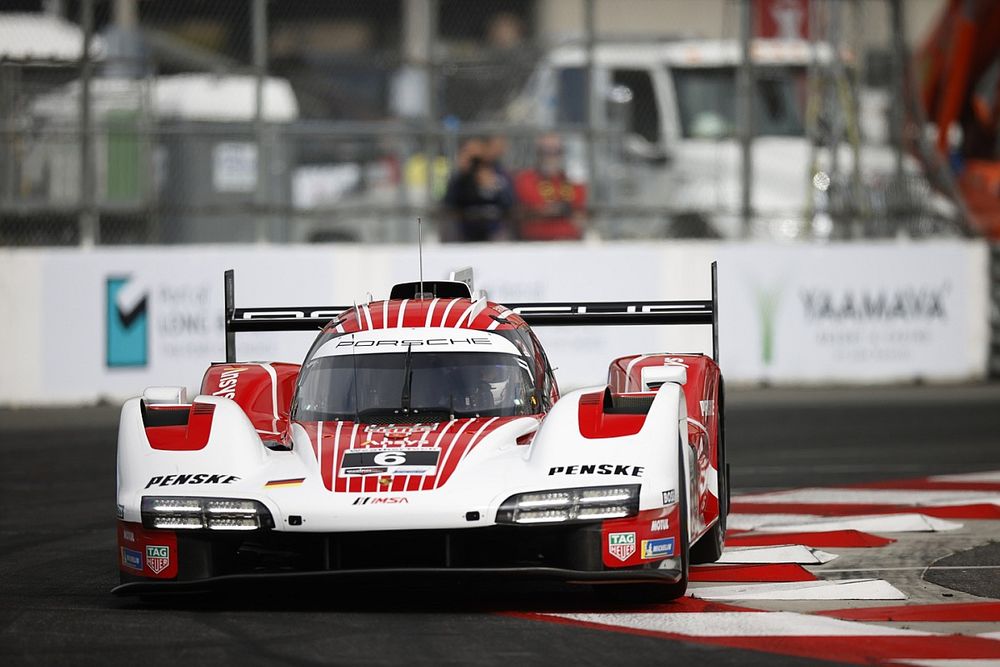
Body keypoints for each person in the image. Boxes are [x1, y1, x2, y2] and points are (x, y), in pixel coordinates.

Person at [513, 134, 586, 241]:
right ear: (538, 154)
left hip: (570, 242)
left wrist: (554, 210)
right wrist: (559, 210)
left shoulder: (572, 180)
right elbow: (532, 210)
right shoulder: (525, 179)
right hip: (536, 243)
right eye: (546, 152)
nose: (551, 156)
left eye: (557, 152)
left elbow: (580, 214)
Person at [442, 138, 514, 242]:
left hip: (494, 233)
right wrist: (463, 175)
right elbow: (449, 203)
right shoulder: (461, 179)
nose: (476, 164)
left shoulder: (498, 173)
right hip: (465, 234)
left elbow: (509, 203)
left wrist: (495, 186)